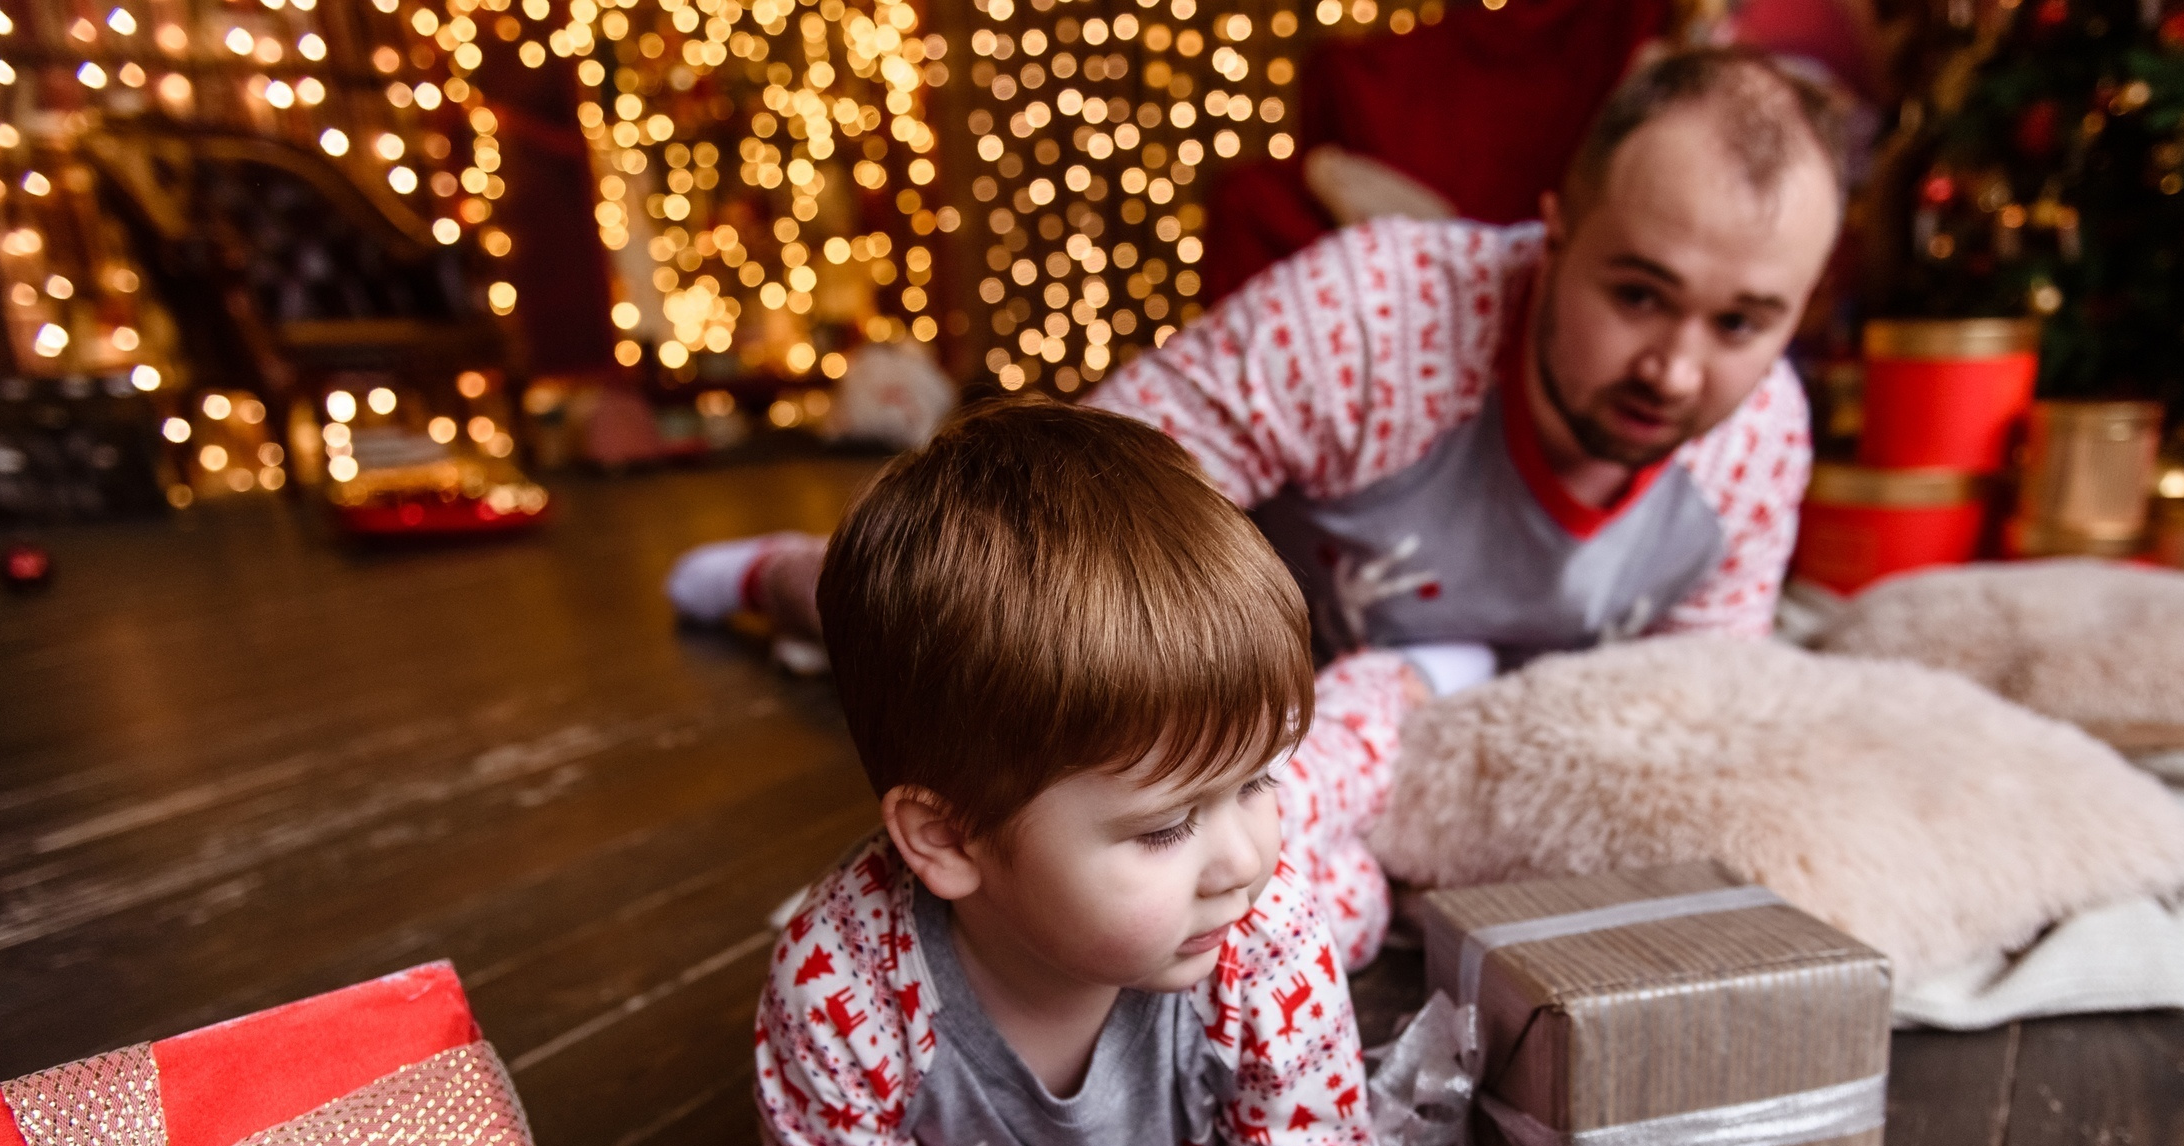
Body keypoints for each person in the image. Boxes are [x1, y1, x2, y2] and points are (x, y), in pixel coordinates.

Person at [668, 46, 1845, 691]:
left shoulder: (1761, 435)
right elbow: (1074, 516)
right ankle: (788, 578)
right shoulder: (1371, 315)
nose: (1677, 369)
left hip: (1420, 700)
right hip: (1217, 652)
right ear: (1552, 235)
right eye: (1636, 294)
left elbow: (1691, 710)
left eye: (1744, 322)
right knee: (944, 598)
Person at [757, 399, 1410, 1146]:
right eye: (1161, 828)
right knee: (1297, 848)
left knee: (1332, 831)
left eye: (1252, 782)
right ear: (947, 837)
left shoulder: (1266, 923)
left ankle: (1395, 683)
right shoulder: (841, 984)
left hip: (1296, 906)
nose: (1241, 854)